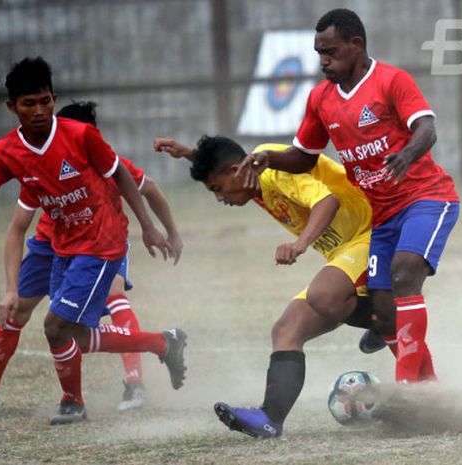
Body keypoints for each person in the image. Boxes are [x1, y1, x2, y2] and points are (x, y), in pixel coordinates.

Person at [0, 57, 187, 425]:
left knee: (58, 325)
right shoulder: (7, 153)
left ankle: (76, 402)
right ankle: (161, 343)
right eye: (29, 104)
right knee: (68, 330)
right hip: (59, 246)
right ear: (12, 107)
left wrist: (149, 227)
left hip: (103, 243)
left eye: (45, 101)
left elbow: (126, 177)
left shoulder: (82, 137)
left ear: (53, 99)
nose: (39, 111)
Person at [237, 9, 460, 386]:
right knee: (384, 310)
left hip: (427, 198)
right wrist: (269, 158)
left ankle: (407, 390)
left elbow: (427, 128)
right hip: (383, 216)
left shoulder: (391, 81)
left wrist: (406, 154)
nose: (323, 61)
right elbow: (304, 157)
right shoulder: (321, 99)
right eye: (318, 53)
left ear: (356, 46)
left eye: (330, 52)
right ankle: (429, 389)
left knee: (404, 274)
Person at [154, 135, 386, 439]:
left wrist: (300, 244)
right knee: (286, 329)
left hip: (373, 233)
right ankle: (269, 419)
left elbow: (328, 200)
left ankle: (387, 321)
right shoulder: (249, 175)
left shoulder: (273, 168)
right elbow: (227, 164)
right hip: (345, 251)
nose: (219, 198)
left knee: (323, 295)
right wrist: (191, 154)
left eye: (217, 189)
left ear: (238, 170)